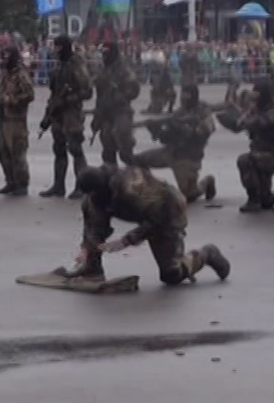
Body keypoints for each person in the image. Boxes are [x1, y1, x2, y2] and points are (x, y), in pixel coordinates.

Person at [59, 165, 230, 286]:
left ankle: (207, 254)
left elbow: (158, 220)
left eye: (93, 192)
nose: (91, 196)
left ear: (102, 186)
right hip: (141, 211)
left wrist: (127, 239)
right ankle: (92, 269)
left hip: (167, 209)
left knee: (171, 274)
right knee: (92, 224)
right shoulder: (95, 195)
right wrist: (86, 249)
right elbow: (94, 226)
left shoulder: (133, 189)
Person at [133, 85, 217, 204]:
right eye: (183, 95)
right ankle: (152, 189)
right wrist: (156, 129)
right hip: (170, 152)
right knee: (137, 161)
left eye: (187, 95)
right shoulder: (180, 112)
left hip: (188, 157)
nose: (184, 98)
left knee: (189, 195)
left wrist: (186, 129)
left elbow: (205, 132)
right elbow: (166, 137)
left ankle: (206, 182)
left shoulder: (203, 112)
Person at [39, 35, 93, 198]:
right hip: (58, 114)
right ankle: (58, 185)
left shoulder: (76, 65)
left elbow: (87, 91)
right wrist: (48, 114)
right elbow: (54, 93)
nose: (54, 50)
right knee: (59, 149)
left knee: (76, 148)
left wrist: (68, 100)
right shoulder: (59, 67)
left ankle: (82, 187)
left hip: (72, 113)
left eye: (57, 47)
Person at [218, 79, 274, 213]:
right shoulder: (257, 110)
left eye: (257, 94)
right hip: (261, 155)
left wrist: (248, 117)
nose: (254, 97)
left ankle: (254, 199)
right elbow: (237, 126)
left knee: (245, 161)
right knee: (265, 199)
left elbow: (260, 122)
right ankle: (267, 196)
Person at [0, 46, 34, 196]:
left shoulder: (21, 75)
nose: (5, 58)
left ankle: (22, 184)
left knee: (18, 153)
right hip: (4, 119)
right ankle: (10, 182)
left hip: (17, 120)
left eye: (8, 55)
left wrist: (12, 100)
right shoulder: (3, 74)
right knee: (3, 153)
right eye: (4, 55)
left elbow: (29, 95)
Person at [91, 42, 140, 166]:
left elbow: (134, 90)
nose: (104, 56)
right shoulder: (102, 71)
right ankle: (111, 180)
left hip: (121, 111)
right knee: (108, 150)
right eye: (103, 53)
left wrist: (121, 95)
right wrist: (97, 116)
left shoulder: (124, 69)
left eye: (107, 53)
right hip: (105, 113)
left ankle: (136, 178)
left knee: (125, 149)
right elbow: (99, 95)